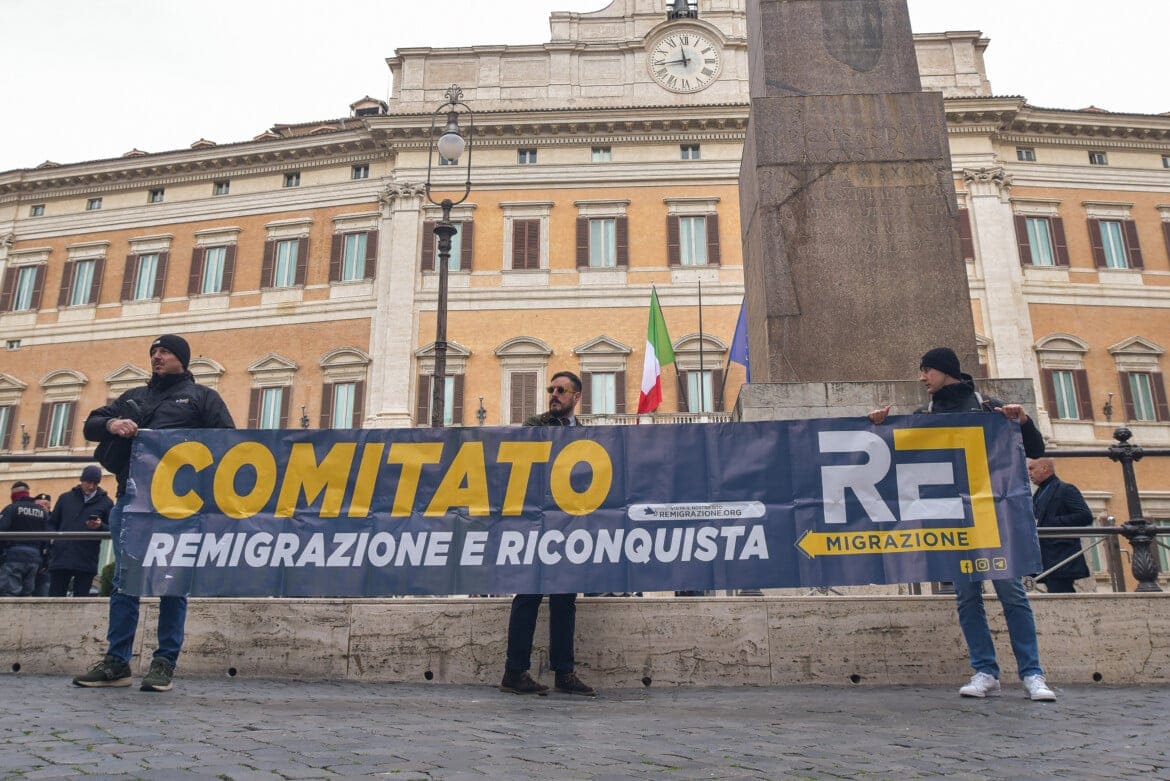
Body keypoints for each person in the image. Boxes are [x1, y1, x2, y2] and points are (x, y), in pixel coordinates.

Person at [868, 347, 1056, 702]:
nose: (922, 378)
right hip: (951, 518)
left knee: (1012, 595)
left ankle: (1032, 673)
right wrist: (878, 427)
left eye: (927, 371)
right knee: (967, 598)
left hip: (992, 517)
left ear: (946, 371)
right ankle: (985, 670)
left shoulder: (989, 407)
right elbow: (894, 455)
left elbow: (1033, 448)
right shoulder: (924, 414)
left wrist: (1023, 420)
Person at [73, 334, 235, 692]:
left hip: (178, 505)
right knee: (124, 584)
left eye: (164, 351)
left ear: (181, 358)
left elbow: (228, 445)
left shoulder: (202, 397)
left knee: (173, 584)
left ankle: (164, 663)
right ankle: (117, 663)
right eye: (153, 352)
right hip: (130, 501)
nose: (156, 356)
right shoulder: (134, 397)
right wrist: (113, 425)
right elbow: (90, 425)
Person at [499, 370, 596, 697]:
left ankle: (564, 673)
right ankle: (514, 672)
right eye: (551, 389)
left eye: (561, 390)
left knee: (565, 598)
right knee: (527, 595)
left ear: (575, 397)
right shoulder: (533, 426)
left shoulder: (585, 434)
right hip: (536, 524)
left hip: (569, 525)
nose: (553, 394)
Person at [47, 465, 114, 598]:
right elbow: (52, 523)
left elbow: (112, 529)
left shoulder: (106, 503)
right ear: (82, 481)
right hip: (61, 557)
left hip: (86, 559)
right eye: (88, 482)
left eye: (95, 483)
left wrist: (99, 526)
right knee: (54, 598)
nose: (91, 486)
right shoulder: (65, 498)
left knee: (81, 600)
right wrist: (53, 544)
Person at [1028, 458, 1092, 594]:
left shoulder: (1066, 489)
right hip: (1045, 556)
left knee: (1062, 592)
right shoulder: (1038, 493)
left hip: (1062, 555)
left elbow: (1085, 516)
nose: (1029, 473)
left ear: (1045, 468)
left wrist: (1050, 522)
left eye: (1032, 468)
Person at [0, 480, 50, 596]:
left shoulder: (11, 509)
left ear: (13, 495)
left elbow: (1, 531)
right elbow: (47, 537)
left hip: (13, 558)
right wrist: (45, 561)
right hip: (34, 559)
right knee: (26, 596)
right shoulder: (42, 512)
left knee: (9, 594)